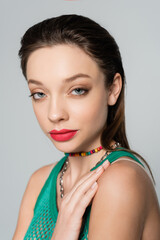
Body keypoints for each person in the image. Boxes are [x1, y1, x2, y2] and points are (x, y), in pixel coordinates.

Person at [13, 14, 160, 240]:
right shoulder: (39, 182)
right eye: (39, 94)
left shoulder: (121, 181)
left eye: (77, 90)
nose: (55, 114)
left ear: (112, 89)